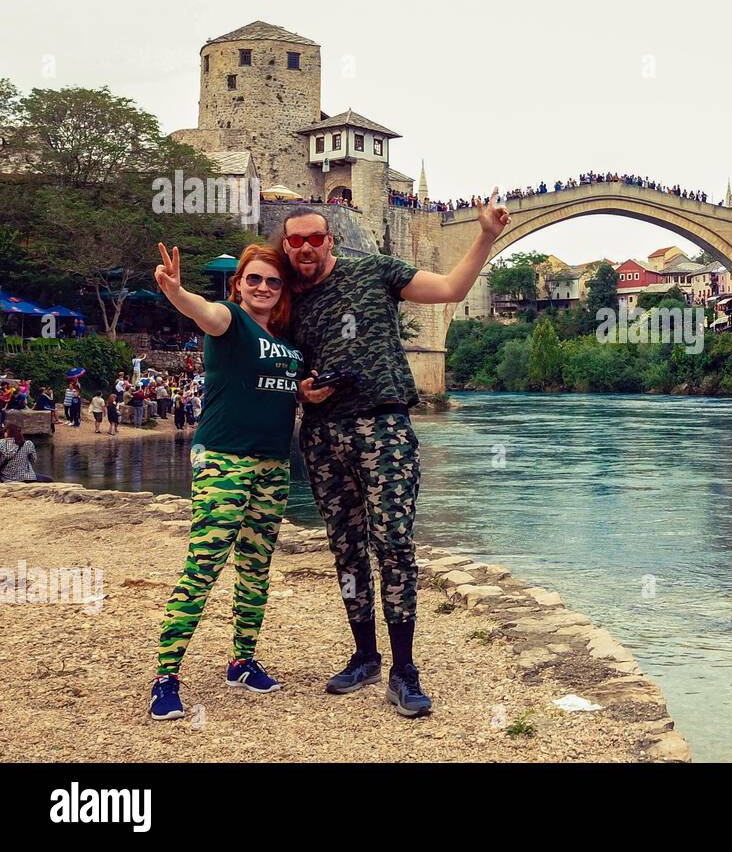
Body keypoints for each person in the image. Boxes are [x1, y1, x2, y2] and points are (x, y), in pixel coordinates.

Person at [282, 193, 509, 717]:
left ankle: (404, 670)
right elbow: (273, 365)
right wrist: (302, 390)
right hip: (321, 434)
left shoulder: (375, 272)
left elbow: (451, 288)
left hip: (383, 426)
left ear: (329, 240)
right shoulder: (287, 300)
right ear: (287, 247)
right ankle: (365, 655)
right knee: (346, 550)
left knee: (395, 546)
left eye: (314, 238)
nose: (306, 248)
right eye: (295, 241)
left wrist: (486, 236)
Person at [147, 242, 303, 722]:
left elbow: (286, 389)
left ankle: (242, 661)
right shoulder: (229, 320)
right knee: (205, 565)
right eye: (253, 279)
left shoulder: (287, 337)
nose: (262, 288)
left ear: (282, 291)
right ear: (238, 283)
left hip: (273, 464)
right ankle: (166, 677)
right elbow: (204, 313)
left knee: (256, 568)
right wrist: (177, 293)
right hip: (223, 460)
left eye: (272, 282)